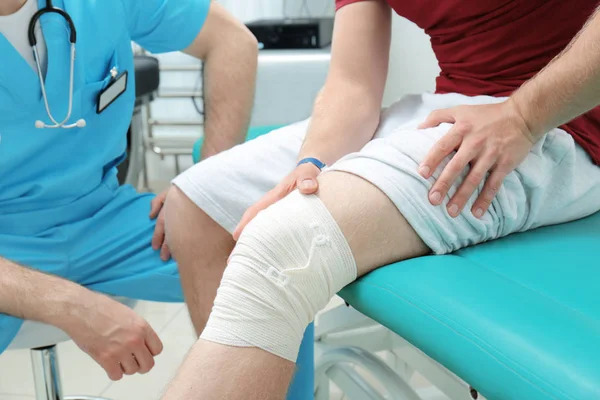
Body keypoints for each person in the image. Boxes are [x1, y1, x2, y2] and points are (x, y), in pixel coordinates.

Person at [162, 0, 600, 398]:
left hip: (563, 121)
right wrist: (312, 163)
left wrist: (522, 119)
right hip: (451, 103)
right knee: (194, 205)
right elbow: (353, 85)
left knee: (287, 245)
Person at [0, 0, 259, 381]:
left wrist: (205, 185)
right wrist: (72, 306)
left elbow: (232, 41)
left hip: (102, 218)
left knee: (266, 273)